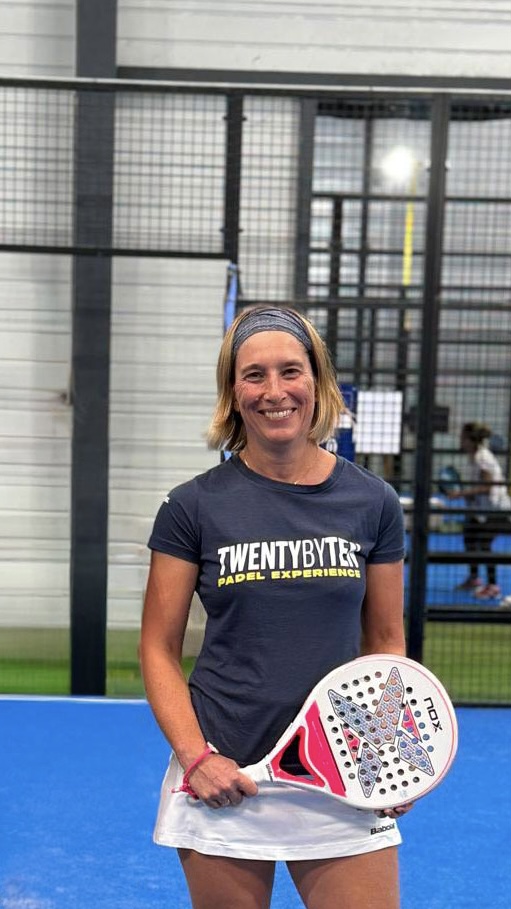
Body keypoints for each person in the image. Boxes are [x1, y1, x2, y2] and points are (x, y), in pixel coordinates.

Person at [140, 306, 412, 909]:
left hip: (343, 774)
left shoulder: (374, 502)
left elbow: (386, 643)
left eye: (291, 371)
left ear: (317, 381)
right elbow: (157, 649)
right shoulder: (191, 507)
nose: (274, 391)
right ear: (233, 393)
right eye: (253, 375)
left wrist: (385, 754)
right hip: (226, 775)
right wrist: (196, 758)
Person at [448, 422, 511, 600]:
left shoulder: (482, 457)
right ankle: (474, 578)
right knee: (469, 536)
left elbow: (487, 487)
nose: (460, 440)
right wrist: (469, 497)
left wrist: (461, 494)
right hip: (482, 509)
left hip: (497, 510)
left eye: (463, 437)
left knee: (484, 544)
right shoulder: (474, 456)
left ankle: (493, 586)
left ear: (470, 439)